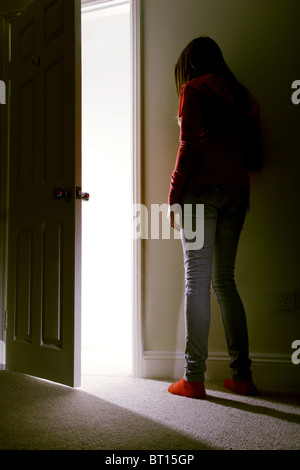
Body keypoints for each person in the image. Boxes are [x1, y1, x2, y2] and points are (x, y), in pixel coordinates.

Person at [167, 36, 262, 399]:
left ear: (189, 65)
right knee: (225, 281)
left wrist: (174, 193)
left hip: (201, 191)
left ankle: (193, 378)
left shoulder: (193, 89)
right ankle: (242, 375)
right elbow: (256, 158)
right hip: (238, 192)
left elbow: (188, 145)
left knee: (196, 281)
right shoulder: (246, 98)